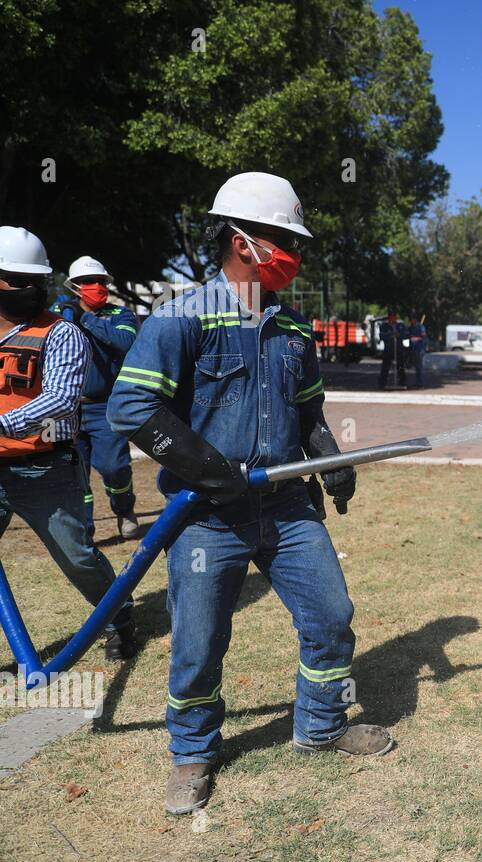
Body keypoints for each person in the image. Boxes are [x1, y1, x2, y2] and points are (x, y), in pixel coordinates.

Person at [108, 172, 392, 816]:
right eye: (282, 240)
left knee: (330, 617)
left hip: (287, 509)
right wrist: (209, 469)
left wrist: (330, 459)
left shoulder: (293, 327)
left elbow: (308, 408)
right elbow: (132, 406)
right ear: (242, 240)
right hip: (207, 517)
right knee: (200, 642)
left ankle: (321, 726)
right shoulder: (182, 317)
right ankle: (192, 755)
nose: (293, 254)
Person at [0, 227, 136, 661]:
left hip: (44, 468)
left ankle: (117, 617)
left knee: (77, 557)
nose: (31, 290)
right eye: (19, 281)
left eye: (37, 281)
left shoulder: (61, 333)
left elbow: (59, 399)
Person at [55, 256, 141, 540]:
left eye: (100, 281)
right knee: (75, 474)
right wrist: (64, 318)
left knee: (113, 467)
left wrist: (87, 319)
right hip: (67, 409)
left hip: (106, 406)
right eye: (88, 282)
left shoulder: (121, 316)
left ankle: (124, 508)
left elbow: (125, 343)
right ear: (75, 287)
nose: (96, 286)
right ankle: (85, 531)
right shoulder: (59, 314)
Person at [376, 312, 406, 389]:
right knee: (385, 367)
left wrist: (398, 335)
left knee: (400, 367)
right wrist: (390, 335)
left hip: (398, 349)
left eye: (395, 317)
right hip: (388, 349)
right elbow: (382, 336)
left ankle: (402, 383)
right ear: (389, 318)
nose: (394, 319)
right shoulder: (384, 326)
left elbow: (404, 334)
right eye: (392, 317)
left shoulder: (400, 325)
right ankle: (382, 383)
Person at [407, 314, 427, 387]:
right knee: (415, 366)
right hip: (412, 348)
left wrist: (416, 338)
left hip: (419, 349)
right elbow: (407, 335)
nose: (411, 321)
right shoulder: (411, 327)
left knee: (419, 367)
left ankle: (420, 383)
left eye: (412, 320)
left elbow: (423, 335)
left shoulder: (420, 327)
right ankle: (417, 382)